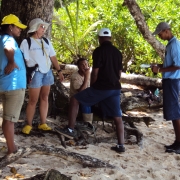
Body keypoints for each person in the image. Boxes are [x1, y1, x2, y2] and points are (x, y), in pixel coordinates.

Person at [56, 28, 125, 153]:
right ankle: (121, 145)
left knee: (75, 99)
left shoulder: (99, 51)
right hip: (115, 88)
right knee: (117, 117)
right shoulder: (118, 52)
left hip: (102, 87)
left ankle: (70, 129)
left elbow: (95, 72)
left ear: (99, 38)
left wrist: (93, 86)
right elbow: (119, 73)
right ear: (110, 38)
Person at [20, 18, 64, 134]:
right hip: (35, 73)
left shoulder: (47, 41)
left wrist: (59, 71)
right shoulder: (26, 42)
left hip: (47, 72)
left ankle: (43, 123)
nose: (44, 29)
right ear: (35, 28)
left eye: (44, 27)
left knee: (45, 97)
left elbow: (53, 57)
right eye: (41, 27)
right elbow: (22, 59)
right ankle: (28, 124)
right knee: (33, 100)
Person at [0, 14, 27, 154]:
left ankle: (11, 147)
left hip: (5, 84)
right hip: (14, 85)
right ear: (10, 27)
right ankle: (12, 150)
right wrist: (11, 62)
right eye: (17, 27)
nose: (20, 30)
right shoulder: (8, 39)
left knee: (7, 119)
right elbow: (8, 49)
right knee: (10, 120)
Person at [152, 22, 180, 154]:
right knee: (173, 111)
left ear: (166, 31)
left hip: (173, 81)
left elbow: (178, 65)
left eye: (160, 34)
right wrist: (158, 66)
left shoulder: (174, 44)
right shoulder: (171, 44)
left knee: (175, 111)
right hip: (170, 80)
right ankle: (177, 141)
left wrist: (160, 69)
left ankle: (179, 143)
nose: (160, 36)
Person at [69, 58, 93, 123]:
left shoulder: (90, 74)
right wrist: (87, 77)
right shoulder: (75, 76)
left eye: (86, 64)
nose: (84, 66)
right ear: (78, 67)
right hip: (76, 98)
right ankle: (88, 123)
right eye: (82, 65)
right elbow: (81, 92)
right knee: (85, 102)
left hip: (88, 96)